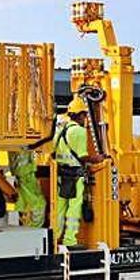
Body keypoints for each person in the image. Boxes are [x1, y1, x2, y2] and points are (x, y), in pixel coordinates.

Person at [53, 97, 105, 248]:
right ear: (80, 115)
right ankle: (70, 240)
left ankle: (55, 237)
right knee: (74, 209)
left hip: (62, 174)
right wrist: (99, 158)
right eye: (84, 115)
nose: (85, 119)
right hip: (75, 176)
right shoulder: (79, 132)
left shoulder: (60, 130)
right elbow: (83, 157)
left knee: (60, 208)